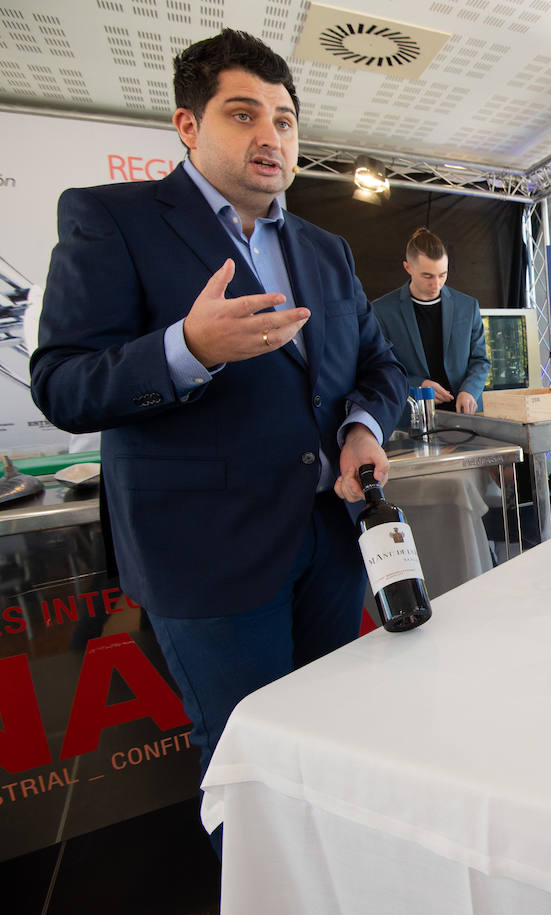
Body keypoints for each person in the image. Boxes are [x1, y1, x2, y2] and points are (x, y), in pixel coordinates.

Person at [28, 29, 407, 849]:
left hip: (331, 545)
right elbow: (61, 382)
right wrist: (186, 349)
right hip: (206, 552)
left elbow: (378, 366)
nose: (271, 136)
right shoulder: (111, 220)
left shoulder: (327, 249)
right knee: (250, 769)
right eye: (244, 115)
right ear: (188, 126)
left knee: (332, 741)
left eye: (284, 119)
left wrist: (360, 426)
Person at [371, 227, 490, 416]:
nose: (436, 284)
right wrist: (418, 385)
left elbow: (481, 361)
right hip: (410, 417)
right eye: (427, 276)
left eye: (443, 275)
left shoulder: (468, 306)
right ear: (408, 267)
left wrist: (469, 391)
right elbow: (378, 367)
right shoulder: (382, 311)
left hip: (466, 416)